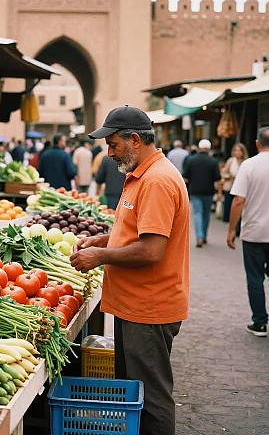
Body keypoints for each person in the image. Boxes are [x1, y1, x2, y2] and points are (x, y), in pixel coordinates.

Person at [69, 105, 189, 435]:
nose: (108, 153)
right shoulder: (140, 176)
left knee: (151, 399)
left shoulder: (157, 182)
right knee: (135, 392)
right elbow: (134, 232)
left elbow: (152, 250)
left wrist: (101, 256)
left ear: (135, 139)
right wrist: (100, 239)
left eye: (113, 144)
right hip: (135, 305)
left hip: (149, 308)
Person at [227, 127, 269, 340]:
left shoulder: (249, 165)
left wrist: (231, 230)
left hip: (253, 232)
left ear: (257, 143)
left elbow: (238, 200)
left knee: (255, 277)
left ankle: (260, 323)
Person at [183, 139, 221, 247]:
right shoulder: (213, 161)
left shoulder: (191, 160)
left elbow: (185, 176)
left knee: (197, 213)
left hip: (195, 191)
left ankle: (199, 236)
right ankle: (204, 235)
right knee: (206, 214)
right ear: (209, 148)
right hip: (208, 191)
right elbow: (217, 178)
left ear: (199, 148)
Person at [221, 143, 248, 222]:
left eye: (239, 151)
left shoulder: (246, 162)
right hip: (230, 186)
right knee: (229, 206)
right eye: (236, 150)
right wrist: (229, 176)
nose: (237, 152)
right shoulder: (230, 161)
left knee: (239, 207)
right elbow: (223, 172)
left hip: (241, 188)